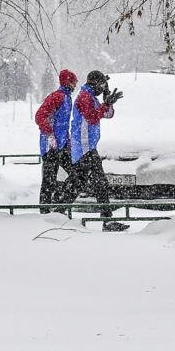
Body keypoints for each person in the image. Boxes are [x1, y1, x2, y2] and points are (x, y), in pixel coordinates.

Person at [60, 70, 126, 231]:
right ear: (94, 83)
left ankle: (58, 211)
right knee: (99, 182)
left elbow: (108, 114)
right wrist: (105, 104)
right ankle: (106, 219)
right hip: (84, 146)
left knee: (78, 181)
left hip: (88, 146)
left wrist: (107, 100)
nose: (102, 88)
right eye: (102, 85)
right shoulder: (84, 97)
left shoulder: (92, 97)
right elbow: (92, 116)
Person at [34, 69, 78, 213]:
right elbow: (40, 116)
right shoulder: (57, 97)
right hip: (51, 147)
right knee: (48, 181)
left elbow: (63, 122)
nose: (75, 85)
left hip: (62, 145)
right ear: (67, 82)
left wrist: (67, 139)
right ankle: (45, 213)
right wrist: (50, 136)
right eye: (73, 82)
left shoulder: (66, 97)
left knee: (77, 174)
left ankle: (59, 201)